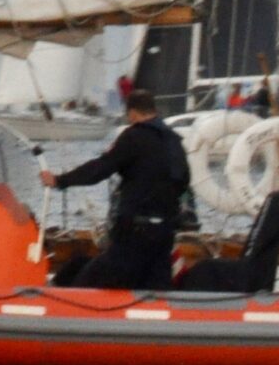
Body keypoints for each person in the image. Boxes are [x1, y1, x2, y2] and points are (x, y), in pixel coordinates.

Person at [40, 86, 190, 289]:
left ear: (132, 113)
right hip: (164, 234)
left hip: (135, 234)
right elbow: (183, 182)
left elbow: (100, 169)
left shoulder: (134, 136)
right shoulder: (175, 141)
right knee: (155, 288)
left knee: (87, 279)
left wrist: (60, 180)